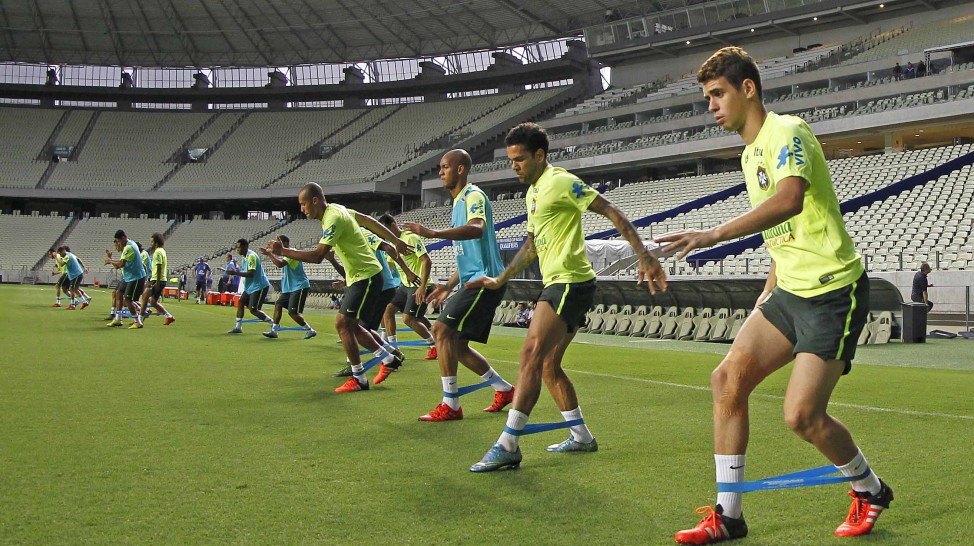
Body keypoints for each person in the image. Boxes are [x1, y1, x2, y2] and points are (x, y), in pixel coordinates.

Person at [654, 47, 892, 543]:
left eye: (718, 94)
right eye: (707, 97)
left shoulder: (787, 131)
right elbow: (781, 234)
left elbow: (790, 200)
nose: (711, 106)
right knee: (727, 381)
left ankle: (869, 488)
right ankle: (729, 516)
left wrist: (713, 234)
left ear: (747, 89)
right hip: (788, 291)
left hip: (832, 292)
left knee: (801, 416)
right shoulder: (749, 153)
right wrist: (767, 291)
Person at [462, 125, 666, 472]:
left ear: (540, 155)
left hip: (570, 282)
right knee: (547, 364)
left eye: (520, 159)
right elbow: (531, 245)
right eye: (511, 160)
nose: (514, 166)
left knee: (530, 353)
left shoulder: (560, 181)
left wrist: (643, 254)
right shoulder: (533, 193)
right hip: (560, 283)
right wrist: (500, 279)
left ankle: (508, 444)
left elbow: (610, 210)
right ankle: (581, 436)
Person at [403, 149, 517, 423]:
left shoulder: (473, 196)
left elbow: (477, 228)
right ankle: (505, 390)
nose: (440, 172)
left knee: (440, 331)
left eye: (445, 167)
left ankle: (451, 405)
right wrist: (448, 285)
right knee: (457, 345)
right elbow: (468, 255)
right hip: (472, 280)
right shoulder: (457, 204)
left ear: (460, 169)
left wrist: (432, 233)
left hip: (485, 281)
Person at [265, 182, 411, 393]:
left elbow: (317, 256)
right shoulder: (337, 209)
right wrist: (395, 239)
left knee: (344, 324)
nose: (302, 209)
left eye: (304, 204)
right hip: (360, 277)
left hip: (367, 276)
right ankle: (387, 359)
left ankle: (361, 376)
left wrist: (284, 251)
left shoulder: (333, 217)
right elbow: (367, 220)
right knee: (351, 325)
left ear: (315, 200)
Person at [378, 213, 438, 360]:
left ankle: (434, 345)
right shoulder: (391, 244)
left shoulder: (410, 238)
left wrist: (422, 286)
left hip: (419, 284)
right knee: (388, 311)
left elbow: (427, 260)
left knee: (408, 318)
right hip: (405, 286)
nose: (384, 233)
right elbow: (389, 267)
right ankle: (394, 348)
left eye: (385, 228)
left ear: (393, 225)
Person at [260, 235, 316, 339]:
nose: (275, 244)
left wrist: (269, 254)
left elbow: (280, 264)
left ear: (284, 243)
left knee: (292, 312)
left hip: (299, 286)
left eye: (277, 242)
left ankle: (310, 330)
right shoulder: (287, 254)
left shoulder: (291, 252)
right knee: (278, 304)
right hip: (290, 288)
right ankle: (274, 330)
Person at [223, 239, 272, 334]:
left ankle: (273, 323)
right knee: (241, 302)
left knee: (253, 310)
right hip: (250, 287)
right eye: (237, 247)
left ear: (245, 247)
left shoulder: (251, 256)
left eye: (239, 247)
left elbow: (251, 274)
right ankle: (238, 327)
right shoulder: (244, 258)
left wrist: (235, 273)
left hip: (259, 286)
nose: (237, 249)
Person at [105, 229, 148, 329]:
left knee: (128, 300)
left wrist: (110, 261)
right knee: (118, 293)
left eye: (119, 241)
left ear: (124, 238)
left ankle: (138, 321)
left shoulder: (129, 247)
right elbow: (122, 262)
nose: (118, 243)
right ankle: (118, 319)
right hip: (129, 277)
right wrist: (111, 260)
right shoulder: (130, 244)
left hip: (136, 277)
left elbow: (120, 264)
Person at [140, 232, 175, 325]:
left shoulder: (158, 252)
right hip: (160, 279)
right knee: (152, 301)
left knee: (145, 296)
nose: (150, 243)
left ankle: (139, 319)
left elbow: (159, 266)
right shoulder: (162, 251)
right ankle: (169, 316)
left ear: (156, 243)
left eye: (152, 242)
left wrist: (157, 282)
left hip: (157, 279)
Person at [56, 246, 92, 310]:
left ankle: (73, 305)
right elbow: (78, 259)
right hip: (76, 274)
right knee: (75, 289)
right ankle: (84, 302)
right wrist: (84, 267)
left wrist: (56, 257)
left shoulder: (67, 256)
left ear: (63, 251)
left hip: (76, 275)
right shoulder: (70, 254)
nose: (60, 255)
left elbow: (61, 264)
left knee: (71, 289)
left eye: (60, 253)